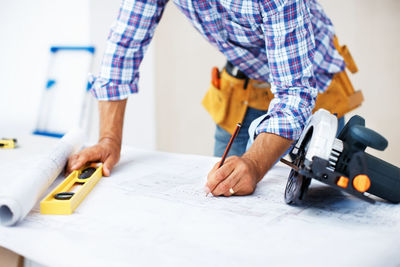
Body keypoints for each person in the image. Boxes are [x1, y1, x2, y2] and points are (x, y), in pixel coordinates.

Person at [67, 0, 362, 197]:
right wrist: (108, 139)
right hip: (243, 82)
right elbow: (124, 45)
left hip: (313, 87)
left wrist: (255, 164)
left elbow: (294, 93)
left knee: (300, 213)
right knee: (225, 193)